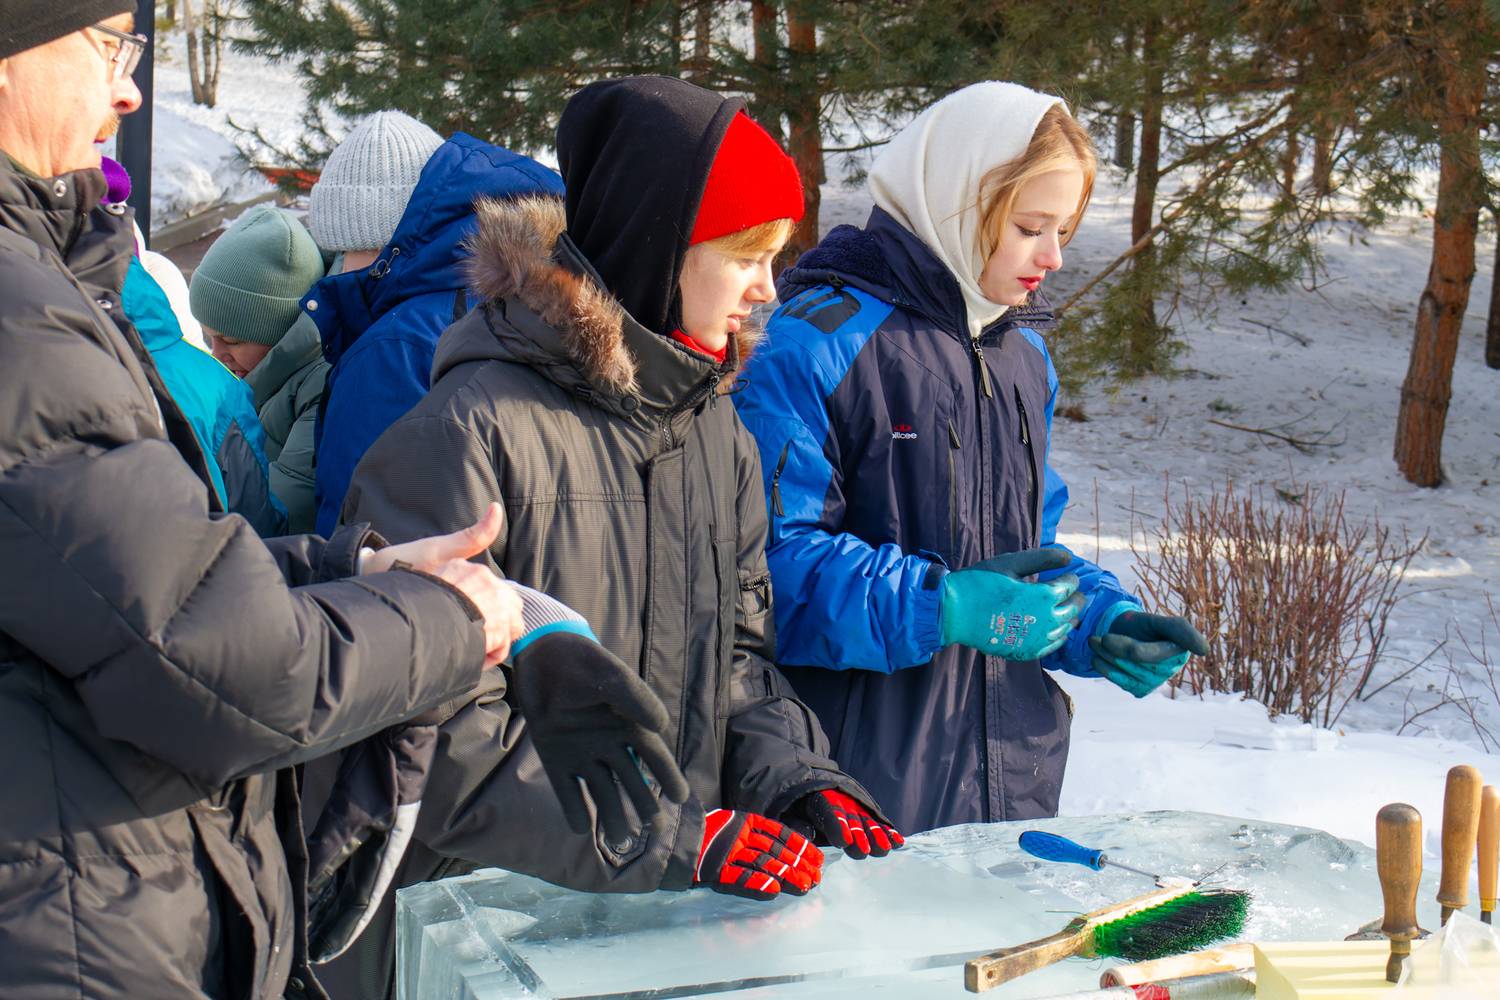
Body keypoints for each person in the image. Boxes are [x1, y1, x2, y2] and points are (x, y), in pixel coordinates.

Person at [0, 9, 676, 997]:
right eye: (109, 45)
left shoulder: (46, 299)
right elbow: (219, 660)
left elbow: (116, 585)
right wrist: (464, 615)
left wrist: (352, 571)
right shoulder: (25, 321)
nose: (129, 91)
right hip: (70, 926)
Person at [320, 76, 902, 999]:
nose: (766, 290)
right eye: (745, 254)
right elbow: (431, 725)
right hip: (480, 944)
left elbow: (740, 668)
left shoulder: (720, 434)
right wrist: (665, 835)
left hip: (653, 931)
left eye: (775, 257)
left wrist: (795, 779)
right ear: (658, 246)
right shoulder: (466, 431)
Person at [734, 81, 1210, 834]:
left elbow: (1026, 555)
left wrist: (1095, 620)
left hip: (1009, 790)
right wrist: (941, 605)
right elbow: (762, 577)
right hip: (852, 788)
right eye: (1030, 227)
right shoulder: (817, 341)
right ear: (958, 202)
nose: (1052, 257)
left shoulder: (1024, 357)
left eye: (1064, 231)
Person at [305, 110, 565, 534]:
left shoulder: (395, 348)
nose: (337, 268)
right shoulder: (522, 298)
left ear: (385, 244)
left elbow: (355, 535)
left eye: (343, 249)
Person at [191, 203, 331, 532]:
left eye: (232, 341)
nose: (217, 354)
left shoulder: (319, 387)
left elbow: (282, 514)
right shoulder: (255, 377)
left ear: (280, 331)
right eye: (209, 338)